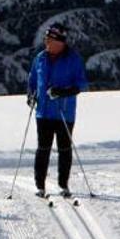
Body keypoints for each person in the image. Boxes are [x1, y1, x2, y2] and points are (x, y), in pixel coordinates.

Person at [28, 23, 89, 197]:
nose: (46, 42)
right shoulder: (40, 58)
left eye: (50, 39)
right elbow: (32, 80)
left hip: (64, 111)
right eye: (46, 39)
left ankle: (63, 184)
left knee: (64, 148)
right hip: (44, 112)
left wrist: (63, 92)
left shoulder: (73, 59)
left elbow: (81, 84)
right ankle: (40, 185)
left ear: (60, 42)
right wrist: (31, 95)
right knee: (43, 148)